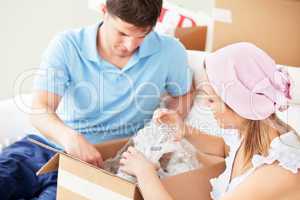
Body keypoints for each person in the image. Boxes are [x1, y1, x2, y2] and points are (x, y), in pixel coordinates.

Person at [0, 0, 194, 199]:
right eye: (123, 33)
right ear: (104, 11)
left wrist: (174, 115)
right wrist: (70, 137)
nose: (129, 45)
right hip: (40, 149)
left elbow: (183, 94)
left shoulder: (170, 51)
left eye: (142, 35)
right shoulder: (68, 44)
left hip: (95, 168)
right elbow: (40, 109)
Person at [120, 42, 300, 200]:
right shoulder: (255, 136)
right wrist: (184, 130)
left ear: (239, 105)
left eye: (211, 99)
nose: (206, 104)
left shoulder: (278, 171)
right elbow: (225, 148)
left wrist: (145, 173)